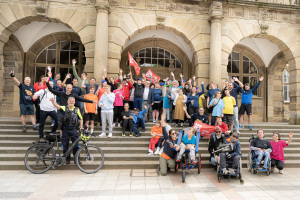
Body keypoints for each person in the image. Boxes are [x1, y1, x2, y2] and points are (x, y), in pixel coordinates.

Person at [49, 97, 83, 164]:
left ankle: (76, 159)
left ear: (74, 102)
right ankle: (67, 159)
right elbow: (58, 106)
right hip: (65, 129)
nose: (71, 102)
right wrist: (53, 102)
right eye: (70, 101)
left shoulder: (77, 109)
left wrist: (81, 127)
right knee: (65, 145)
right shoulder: (64, 108)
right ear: (67, 101)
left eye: (73, 101)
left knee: (76, 145)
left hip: (74, 129)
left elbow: (81, 119)